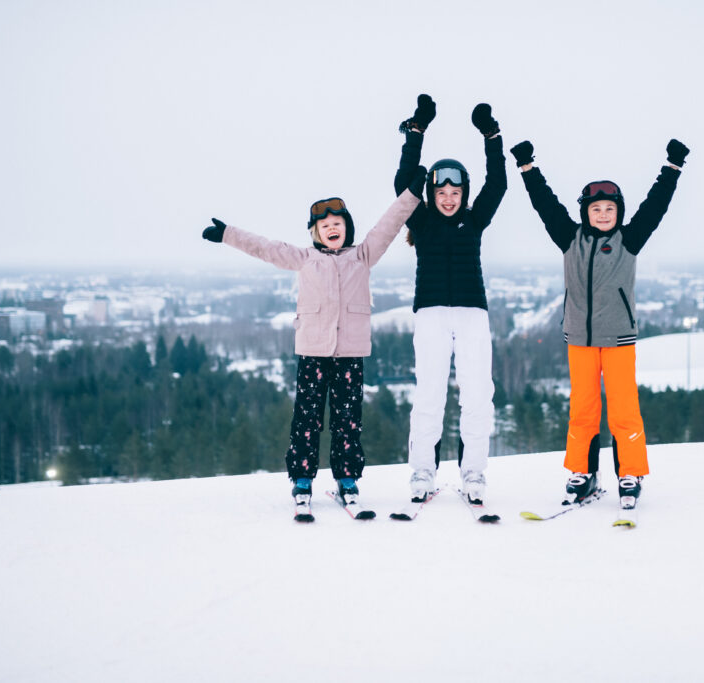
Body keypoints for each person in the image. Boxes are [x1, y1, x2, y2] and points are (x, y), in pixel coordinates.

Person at [201, 170, 427, 509]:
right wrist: (228, 234)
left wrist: (412, 193)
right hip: (313, 352)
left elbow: (388, 225)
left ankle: (347, 477)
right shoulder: (305, 258)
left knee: (347, 419)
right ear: (316, 232)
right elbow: (266, 248)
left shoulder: (363, 256)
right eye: (325, 226)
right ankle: (303, 478)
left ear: (347, 228)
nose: (332, 228)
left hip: (350, 353)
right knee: (306, 418)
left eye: (338, 223)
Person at [509, 137, 689, 511]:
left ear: (618, 212)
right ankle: (582, 473)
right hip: (579, 339)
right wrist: (528, 168)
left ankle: (630, 473)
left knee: (623, 410)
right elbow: (545, 205)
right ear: (585, 213)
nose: (604, 214)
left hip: (619, 338)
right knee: (584, 409)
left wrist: (671, 168)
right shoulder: (569, 238)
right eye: (597, 208)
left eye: (610, 208)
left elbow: (655, 207)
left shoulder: (629, 239)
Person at [394, 94, 507, 504]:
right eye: (440, 190)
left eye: (454, 191)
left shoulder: (474, 220)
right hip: (430, 314)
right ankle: (423, 471)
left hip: (473, 314)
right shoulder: (420, 220)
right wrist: (417, 132)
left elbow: (498, 184)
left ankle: (474, 473)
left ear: (463, 193)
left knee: (478, 393)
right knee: (429, 394)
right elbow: (402, 183)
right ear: (431, 193)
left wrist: (491, 135)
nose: (447, 197)